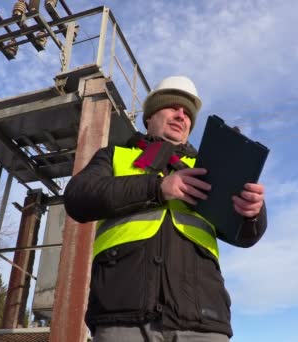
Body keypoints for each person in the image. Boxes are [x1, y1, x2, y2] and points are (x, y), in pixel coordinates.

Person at [63, 76, 267, 341]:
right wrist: (157, 188)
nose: (181, 115)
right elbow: (78, 198)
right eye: (172, 106)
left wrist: (253, 214)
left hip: (203, 323)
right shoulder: (115, 155)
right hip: (122, 317)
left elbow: (245, 236)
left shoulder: (208, 167)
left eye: (188, 113)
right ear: (149, 117)